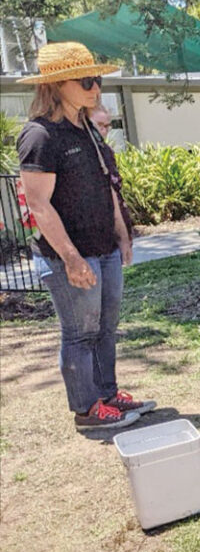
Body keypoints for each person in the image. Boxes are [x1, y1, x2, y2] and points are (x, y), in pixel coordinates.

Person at [17, 42, 155, 431]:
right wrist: (71, 258)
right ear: (58, 84)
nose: (97, 88)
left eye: (98, 80)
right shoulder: (40, 135)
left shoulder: (87, 128)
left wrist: (122, 232)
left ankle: (107, 395)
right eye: (88, 81)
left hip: (105, 247)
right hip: (70, 256)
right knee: (80, 333)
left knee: (106, 328)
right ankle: (86, 410)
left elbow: (106, 183)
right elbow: (39, 205)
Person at [88, 104, 134, 244]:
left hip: (112, 228)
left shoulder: (107, 151)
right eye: (99, 125)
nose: (104, 130)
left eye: (107, 126)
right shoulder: (81, 152)